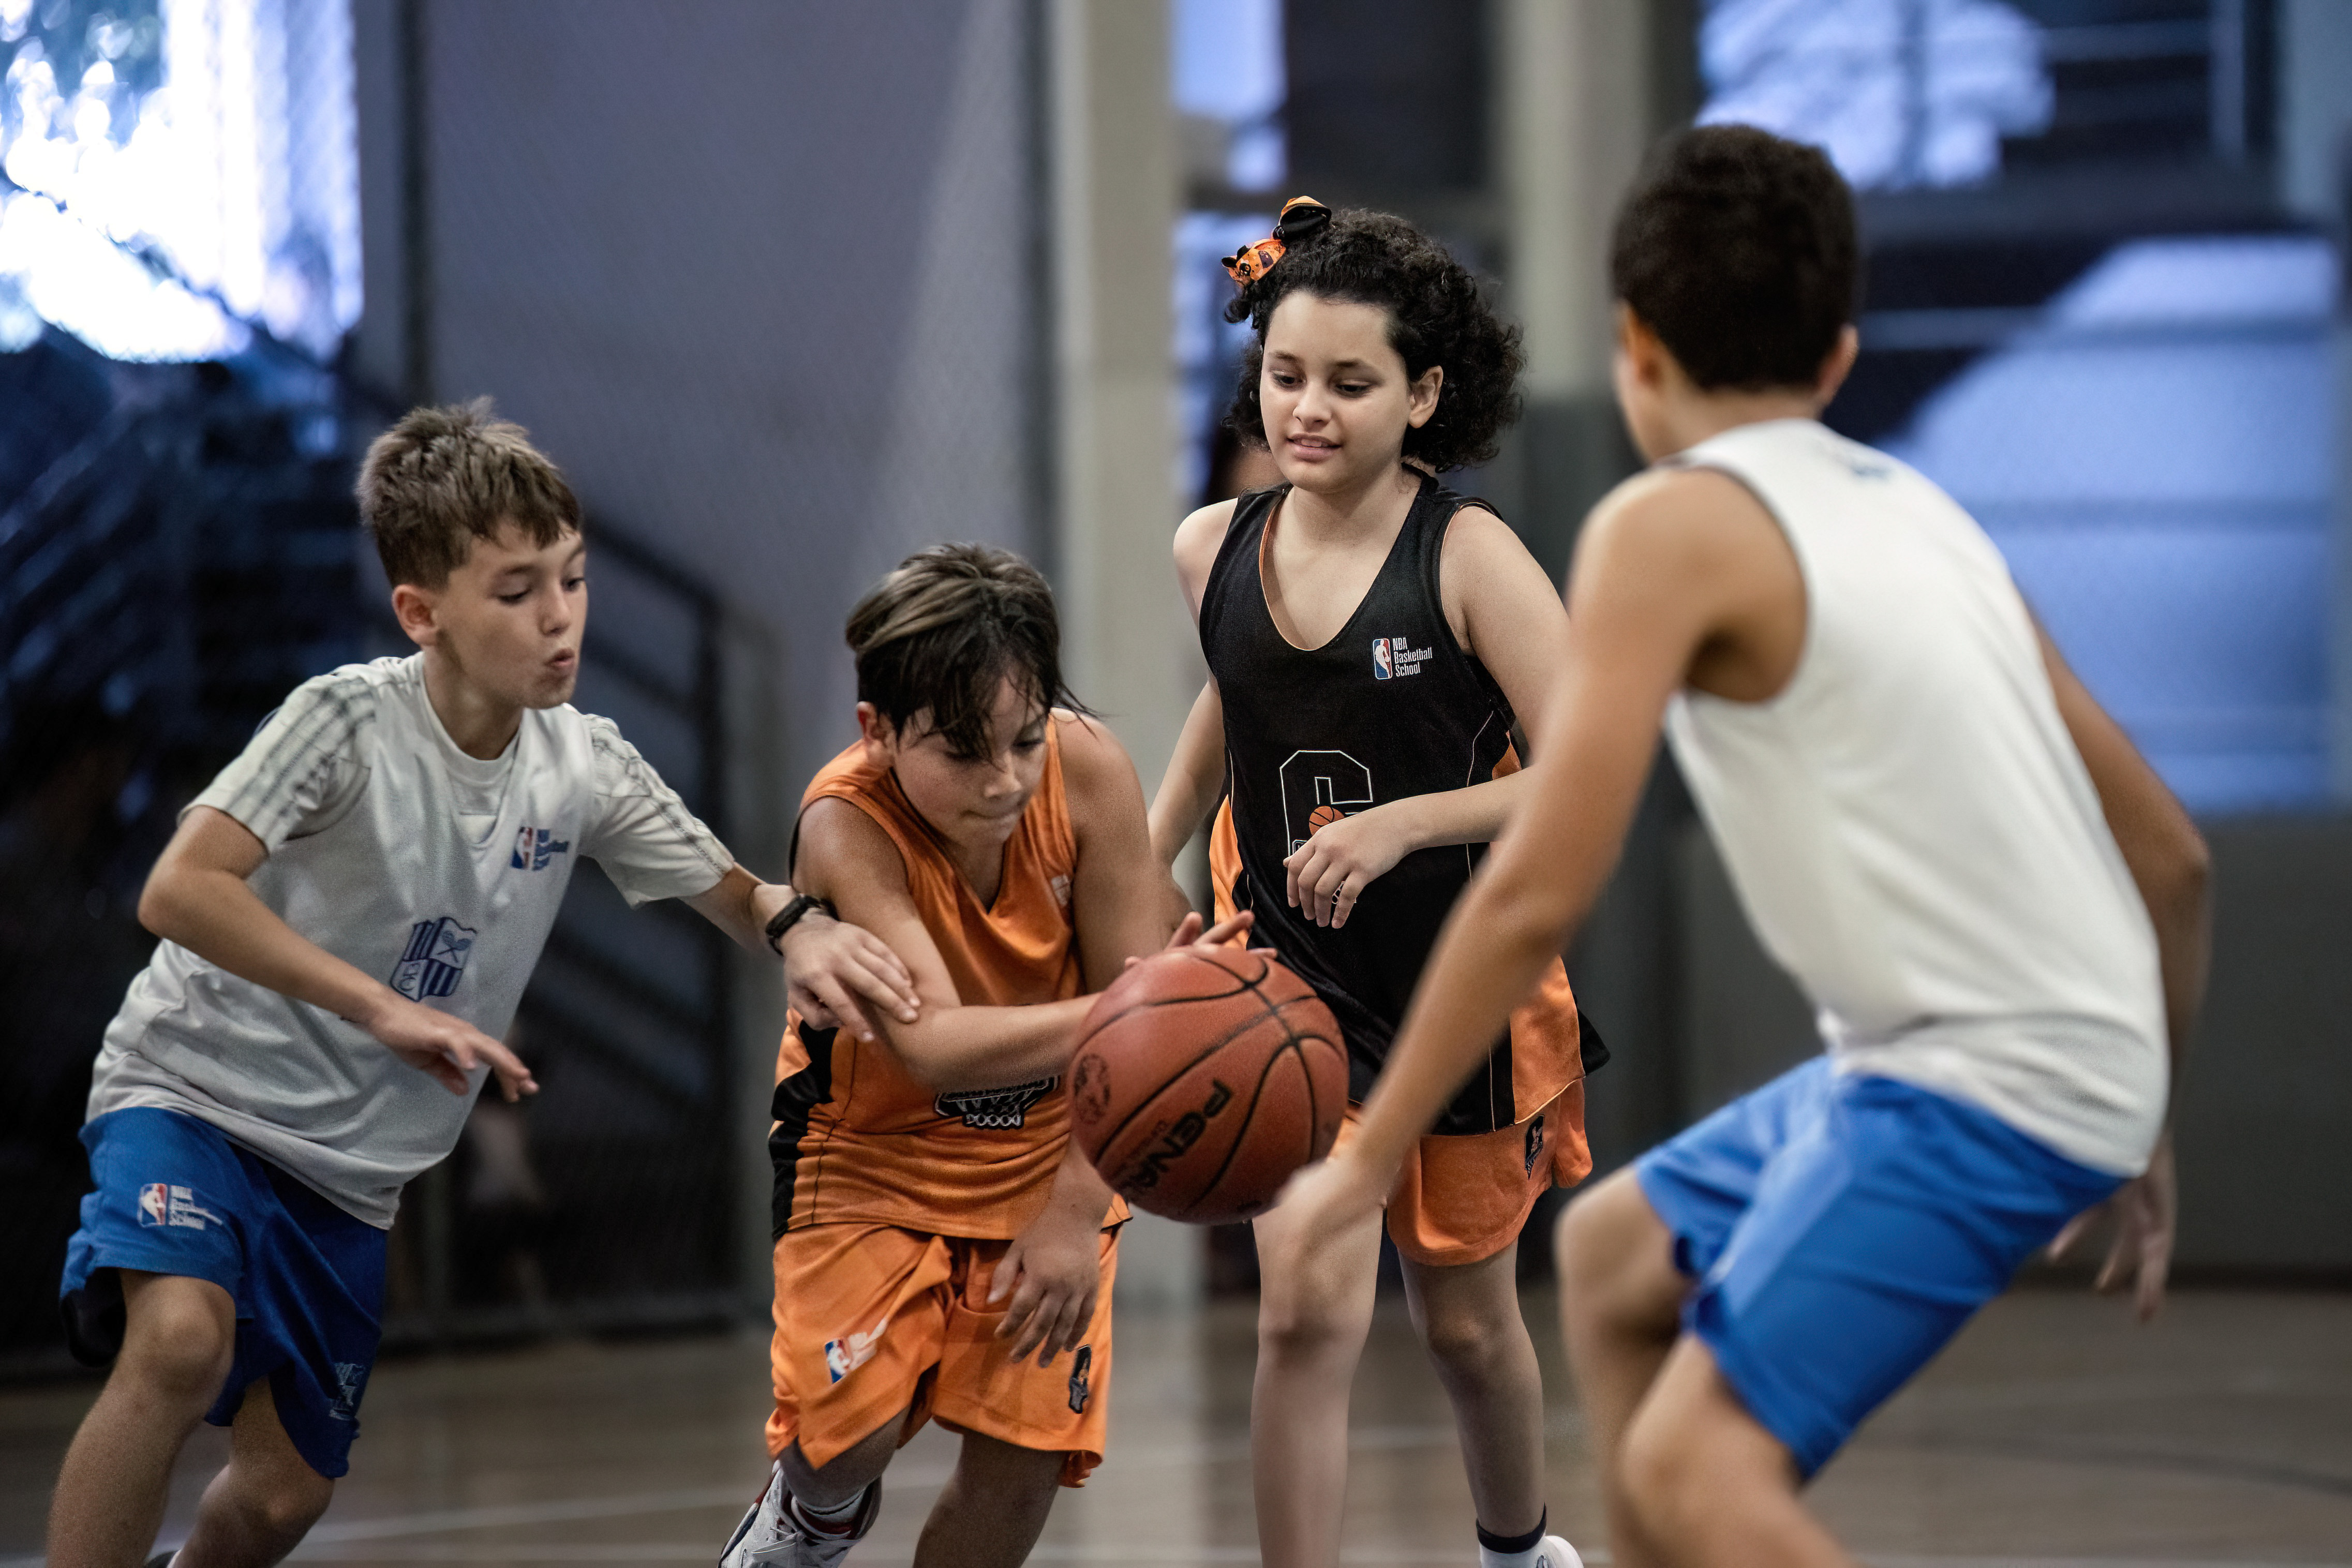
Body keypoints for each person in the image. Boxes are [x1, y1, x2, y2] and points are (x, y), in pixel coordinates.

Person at [1277, 126, 2212, 1568]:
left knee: (1697, 1470)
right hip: (2016, 1054)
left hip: (1981, 1075)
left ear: (1632, 347)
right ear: (1838, 361)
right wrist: (2140, 1101)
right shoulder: (1921, 511)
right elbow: (2169, 853)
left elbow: (1534, 888)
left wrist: (1362, 1159)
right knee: (1606, 1258)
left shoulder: (1666, 526)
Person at [44, 401, 920, 1568]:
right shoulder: (343, 722)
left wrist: (794, 926)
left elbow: (731, 885)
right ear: (424, 614)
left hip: (351, 1179)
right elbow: (180, 888)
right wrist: (378, 1005)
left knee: (278, 1502)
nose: (559, 618)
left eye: (572, 579)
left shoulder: (582, 762)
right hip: (194, 1093)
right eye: (516, 592)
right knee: (179, 1342)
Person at [1148, 197, 1597, 1568]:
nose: (1310, 408)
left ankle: (1521, 1551)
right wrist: (1152, 852)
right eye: (1287, 376)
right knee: (1300, 1312)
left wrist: (1406, 823)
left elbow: (1586, 770)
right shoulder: (1209, 545)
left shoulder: (1466, 558)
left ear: (1424, 394)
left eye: (1351, 383)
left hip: (1460, 994)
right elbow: (1237, 705)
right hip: (1287, 994)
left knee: (1463, 1325)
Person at [721, 544, 1242, 1568]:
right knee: (848, 1444)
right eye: (962, 751)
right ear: (877, 731)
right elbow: (932, 1046)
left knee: (1020, 1467)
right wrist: (1141, 1005)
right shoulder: (844, 823)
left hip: (1056, 1144)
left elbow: (1142, 1052)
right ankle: (811, 1517)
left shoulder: (1086, 771)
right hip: (871, 1152)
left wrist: (1072, 1200)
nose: (1003, 779)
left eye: (1023, 737)